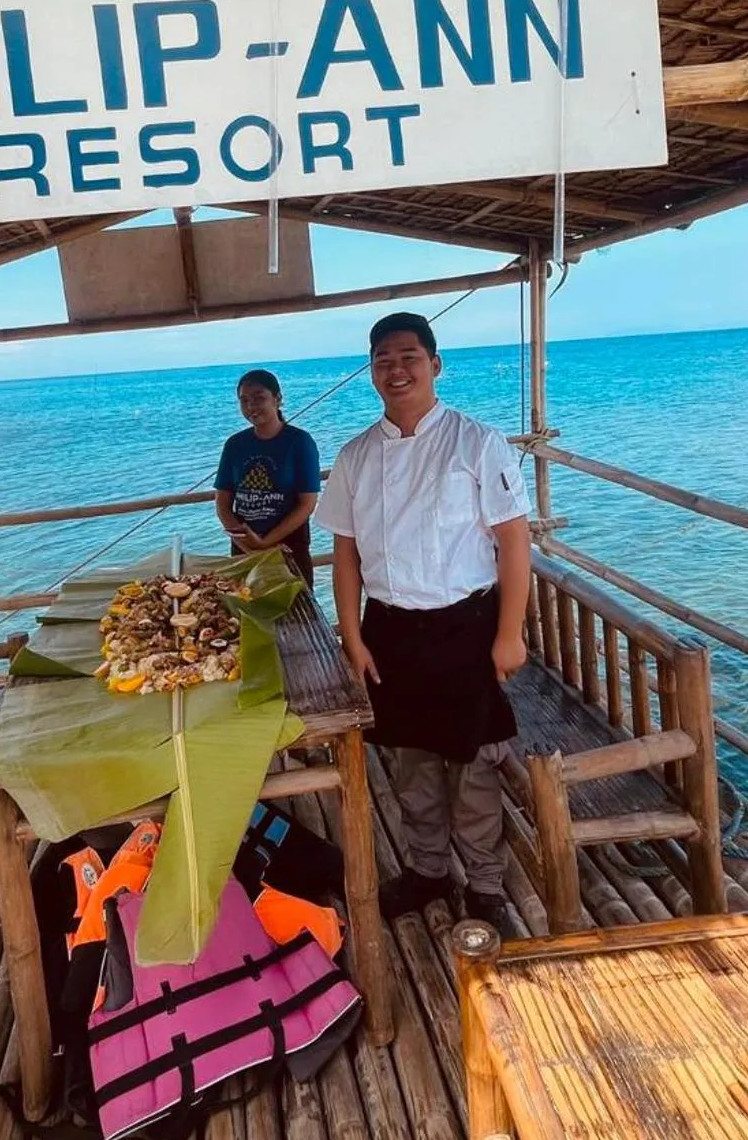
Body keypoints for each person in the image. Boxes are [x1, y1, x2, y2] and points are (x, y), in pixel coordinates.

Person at [315, 313, 531, 934]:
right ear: (371, 372)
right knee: (411, 765)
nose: (396, 369)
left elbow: (514, 543)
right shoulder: (356, 456)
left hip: (467, 627)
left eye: (408, 356)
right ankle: (428, 870)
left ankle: (486, 883)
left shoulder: (477, 443)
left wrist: (509, 633)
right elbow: (347, 554)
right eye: (383, 359)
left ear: (435, 364)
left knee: (474, 765)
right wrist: (352, 636)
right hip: (390, 631)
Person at [214, 370, 321, 588]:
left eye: (259, 397)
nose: (251, 406)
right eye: (244, 401)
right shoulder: (235, 445)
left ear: (278, 399)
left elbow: (307, 503)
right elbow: (223, 504)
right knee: (246, 614)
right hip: (244, 549)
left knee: (298, 617)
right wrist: (249, 545)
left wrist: (266, 543)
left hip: (289, 549)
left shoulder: (299, 442)